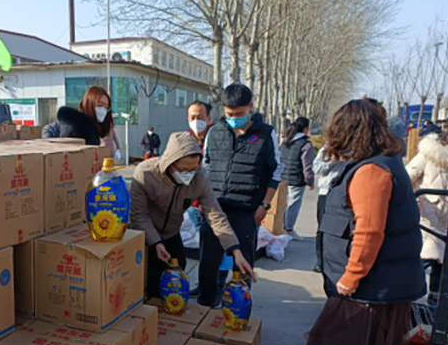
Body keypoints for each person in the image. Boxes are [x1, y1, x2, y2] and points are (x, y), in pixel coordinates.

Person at [284, 99, 425, 345]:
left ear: (349, 131)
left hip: (366, 288)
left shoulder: (371, 172)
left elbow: (369, 232)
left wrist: (350, 279)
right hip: (387, 284)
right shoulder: (387, 162)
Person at [130, 132, 255, 298]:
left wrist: (235, 250)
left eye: (193, 169)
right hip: (146, 234)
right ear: (170, 163)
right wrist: (155, 243)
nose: (189, 174)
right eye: (183, 170)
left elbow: (216, 216)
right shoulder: (146, 173)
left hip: (172, 232)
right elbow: (139, 215)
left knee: (178, 270)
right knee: (149, 279)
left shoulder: (199, 179)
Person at [198, 83, 284, 307]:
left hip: (247, 210)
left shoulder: (266, 134)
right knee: (208, 262)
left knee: (242, 264)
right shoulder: (214, 132)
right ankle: (206, 304)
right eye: (229, 114)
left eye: (239, 114)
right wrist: (203, 200)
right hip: (215, 208)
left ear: (250, 107)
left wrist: (265, 205)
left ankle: (238, 308)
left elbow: (276, 171)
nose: (233, 119)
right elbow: (205, 167)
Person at [407, 120, 448, 306]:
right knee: (426, 256)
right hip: (426, 216)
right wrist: (415, 200)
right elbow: (407, 178)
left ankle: (435, 296)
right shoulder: (429, 155)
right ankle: (407, 295)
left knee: (442, 260)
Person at [43, 86, 120, 154]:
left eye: (106, 107)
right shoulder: (75, 126)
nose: (103, 110)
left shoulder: (95, 129)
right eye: (100, 105)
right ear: (89, 104)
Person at [280, 117, 315, 240]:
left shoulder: (285, 142)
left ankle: (281, 227)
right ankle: (288, 230)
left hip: (282, 178)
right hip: (296, 179)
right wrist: (310, 181)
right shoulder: (306, 145)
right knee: (293, 205)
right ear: (305, 129)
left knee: (283, 204)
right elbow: (307, 166)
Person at [311, 145, 343, 273]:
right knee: (322, 229)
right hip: (326, 192)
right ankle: (320, 261)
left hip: (344, 193)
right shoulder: (327, 149)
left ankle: (338, 262)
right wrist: (332, 161)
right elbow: (316, 168)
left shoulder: (354, 148)